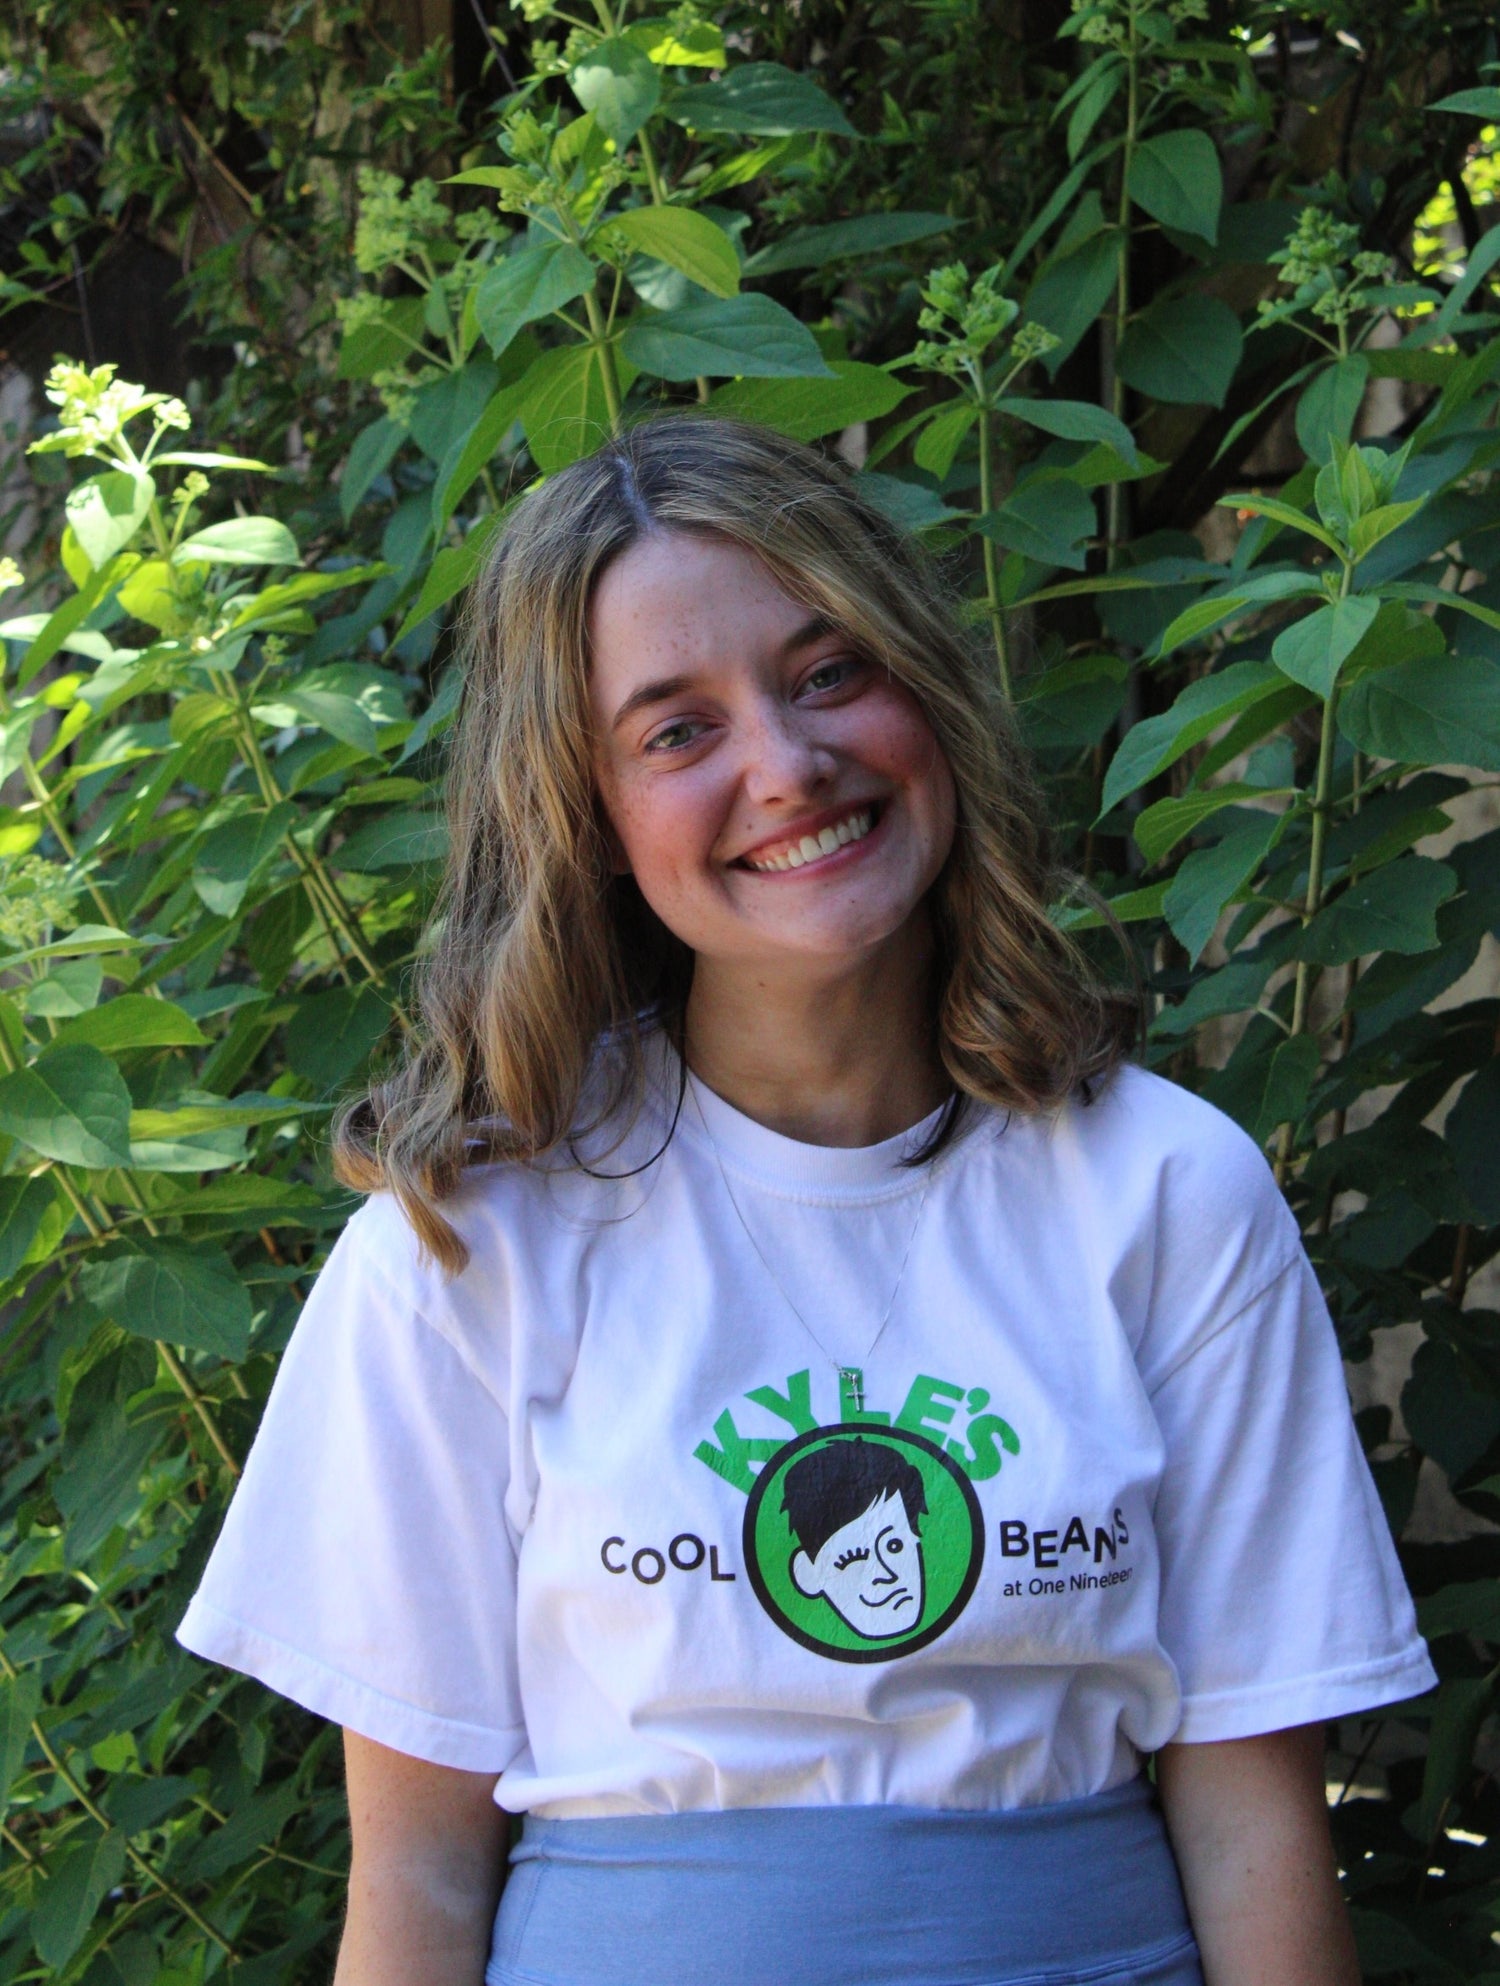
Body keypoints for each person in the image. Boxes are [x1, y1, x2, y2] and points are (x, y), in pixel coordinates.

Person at [178, 417, 1436, 1986]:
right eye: (675, 729)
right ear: (589, 816)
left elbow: (1256, 1819)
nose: (787, 766)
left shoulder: (1169, 1194)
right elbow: (421, 1875)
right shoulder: (464, 1248)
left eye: (831, 670)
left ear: (927, 691)